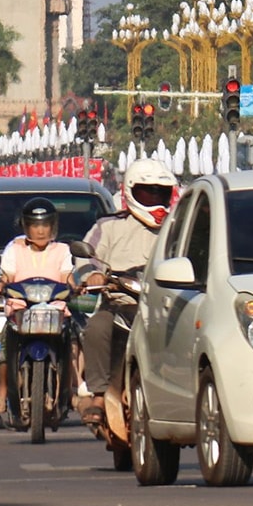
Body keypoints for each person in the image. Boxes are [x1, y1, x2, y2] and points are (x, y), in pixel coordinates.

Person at [76, 158, 176, 427]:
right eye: (147, 192)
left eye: (160, 193)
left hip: (162, 307)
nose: (154, 199)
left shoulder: (176, 228)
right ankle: (98, 393)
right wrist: (92, 274)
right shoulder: (109, 226)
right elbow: (87, 257)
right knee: (97, 327)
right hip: (119, 303)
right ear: (130, 191)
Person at [0, 197, 75, 418]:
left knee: (73, 340)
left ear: (52, 226)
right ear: (26, 226)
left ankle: (72, 389)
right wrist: (1, 284)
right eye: (35, 225)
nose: (40, 231)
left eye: (45, 225)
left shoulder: (62, 250)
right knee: (6, 340)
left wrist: (76, 287)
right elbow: (7, 274)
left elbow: (67, 276)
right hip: (21, 308)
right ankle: (2, 390)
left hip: (55, 309)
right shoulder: (14, 249)